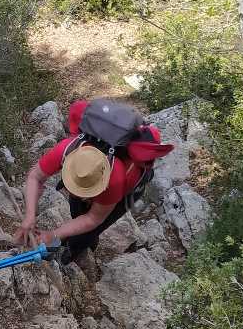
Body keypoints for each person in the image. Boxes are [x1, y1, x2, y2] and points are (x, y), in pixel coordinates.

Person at [14, 99, 171, 263]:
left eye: (83, 189)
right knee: (76, 212)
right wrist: (29, 217)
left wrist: (53, 234)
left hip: (124, 191)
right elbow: (35, 177)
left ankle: (74, 251)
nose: (76, 192)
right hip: (100, 176)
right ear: (70, 163)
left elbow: (93, 219)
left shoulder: (115, 179)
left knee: (88, 232)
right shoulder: (67, 148)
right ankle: (72, 240)